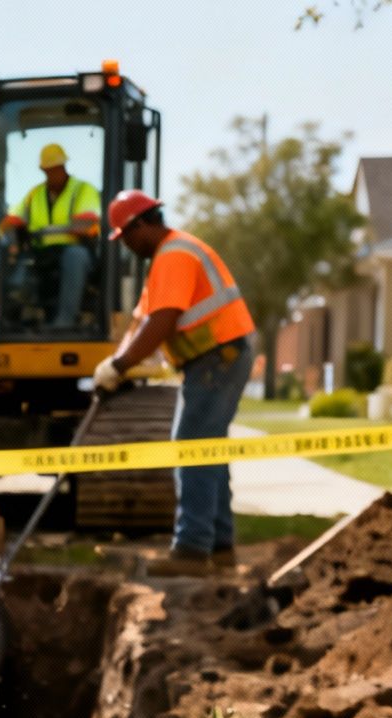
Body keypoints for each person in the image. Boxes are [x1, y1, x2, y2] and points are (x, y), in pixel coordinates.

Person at [95, 190, 258, 575]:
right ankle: (219, 547)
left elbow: (163, 320)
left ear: (141, 226)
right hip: (216, 359)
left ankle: (191, 550)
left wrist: (119, 368)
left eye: (126, 236)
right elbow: (141, 323)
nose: (127, 246)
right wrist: (114, 363)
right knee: (206, 449)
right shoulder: (166, 260)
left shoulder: (175, 255)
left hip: (219, 356)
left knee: (192, 448)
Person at [2, 142, 101, 330]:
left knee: (75, 257)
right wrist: (11, 229)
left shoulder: (83, 190)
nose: (52, 174)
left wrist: (51, 230)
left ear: (64, 167)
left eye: (56, 169)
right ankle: (13, 317)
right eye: (48, 170)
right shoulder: (35, 194)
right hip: (41, 253)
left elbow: (85, 224)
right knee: (15, 261)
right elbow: (13, 219)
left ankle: (65, 322)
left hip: (75, 251)